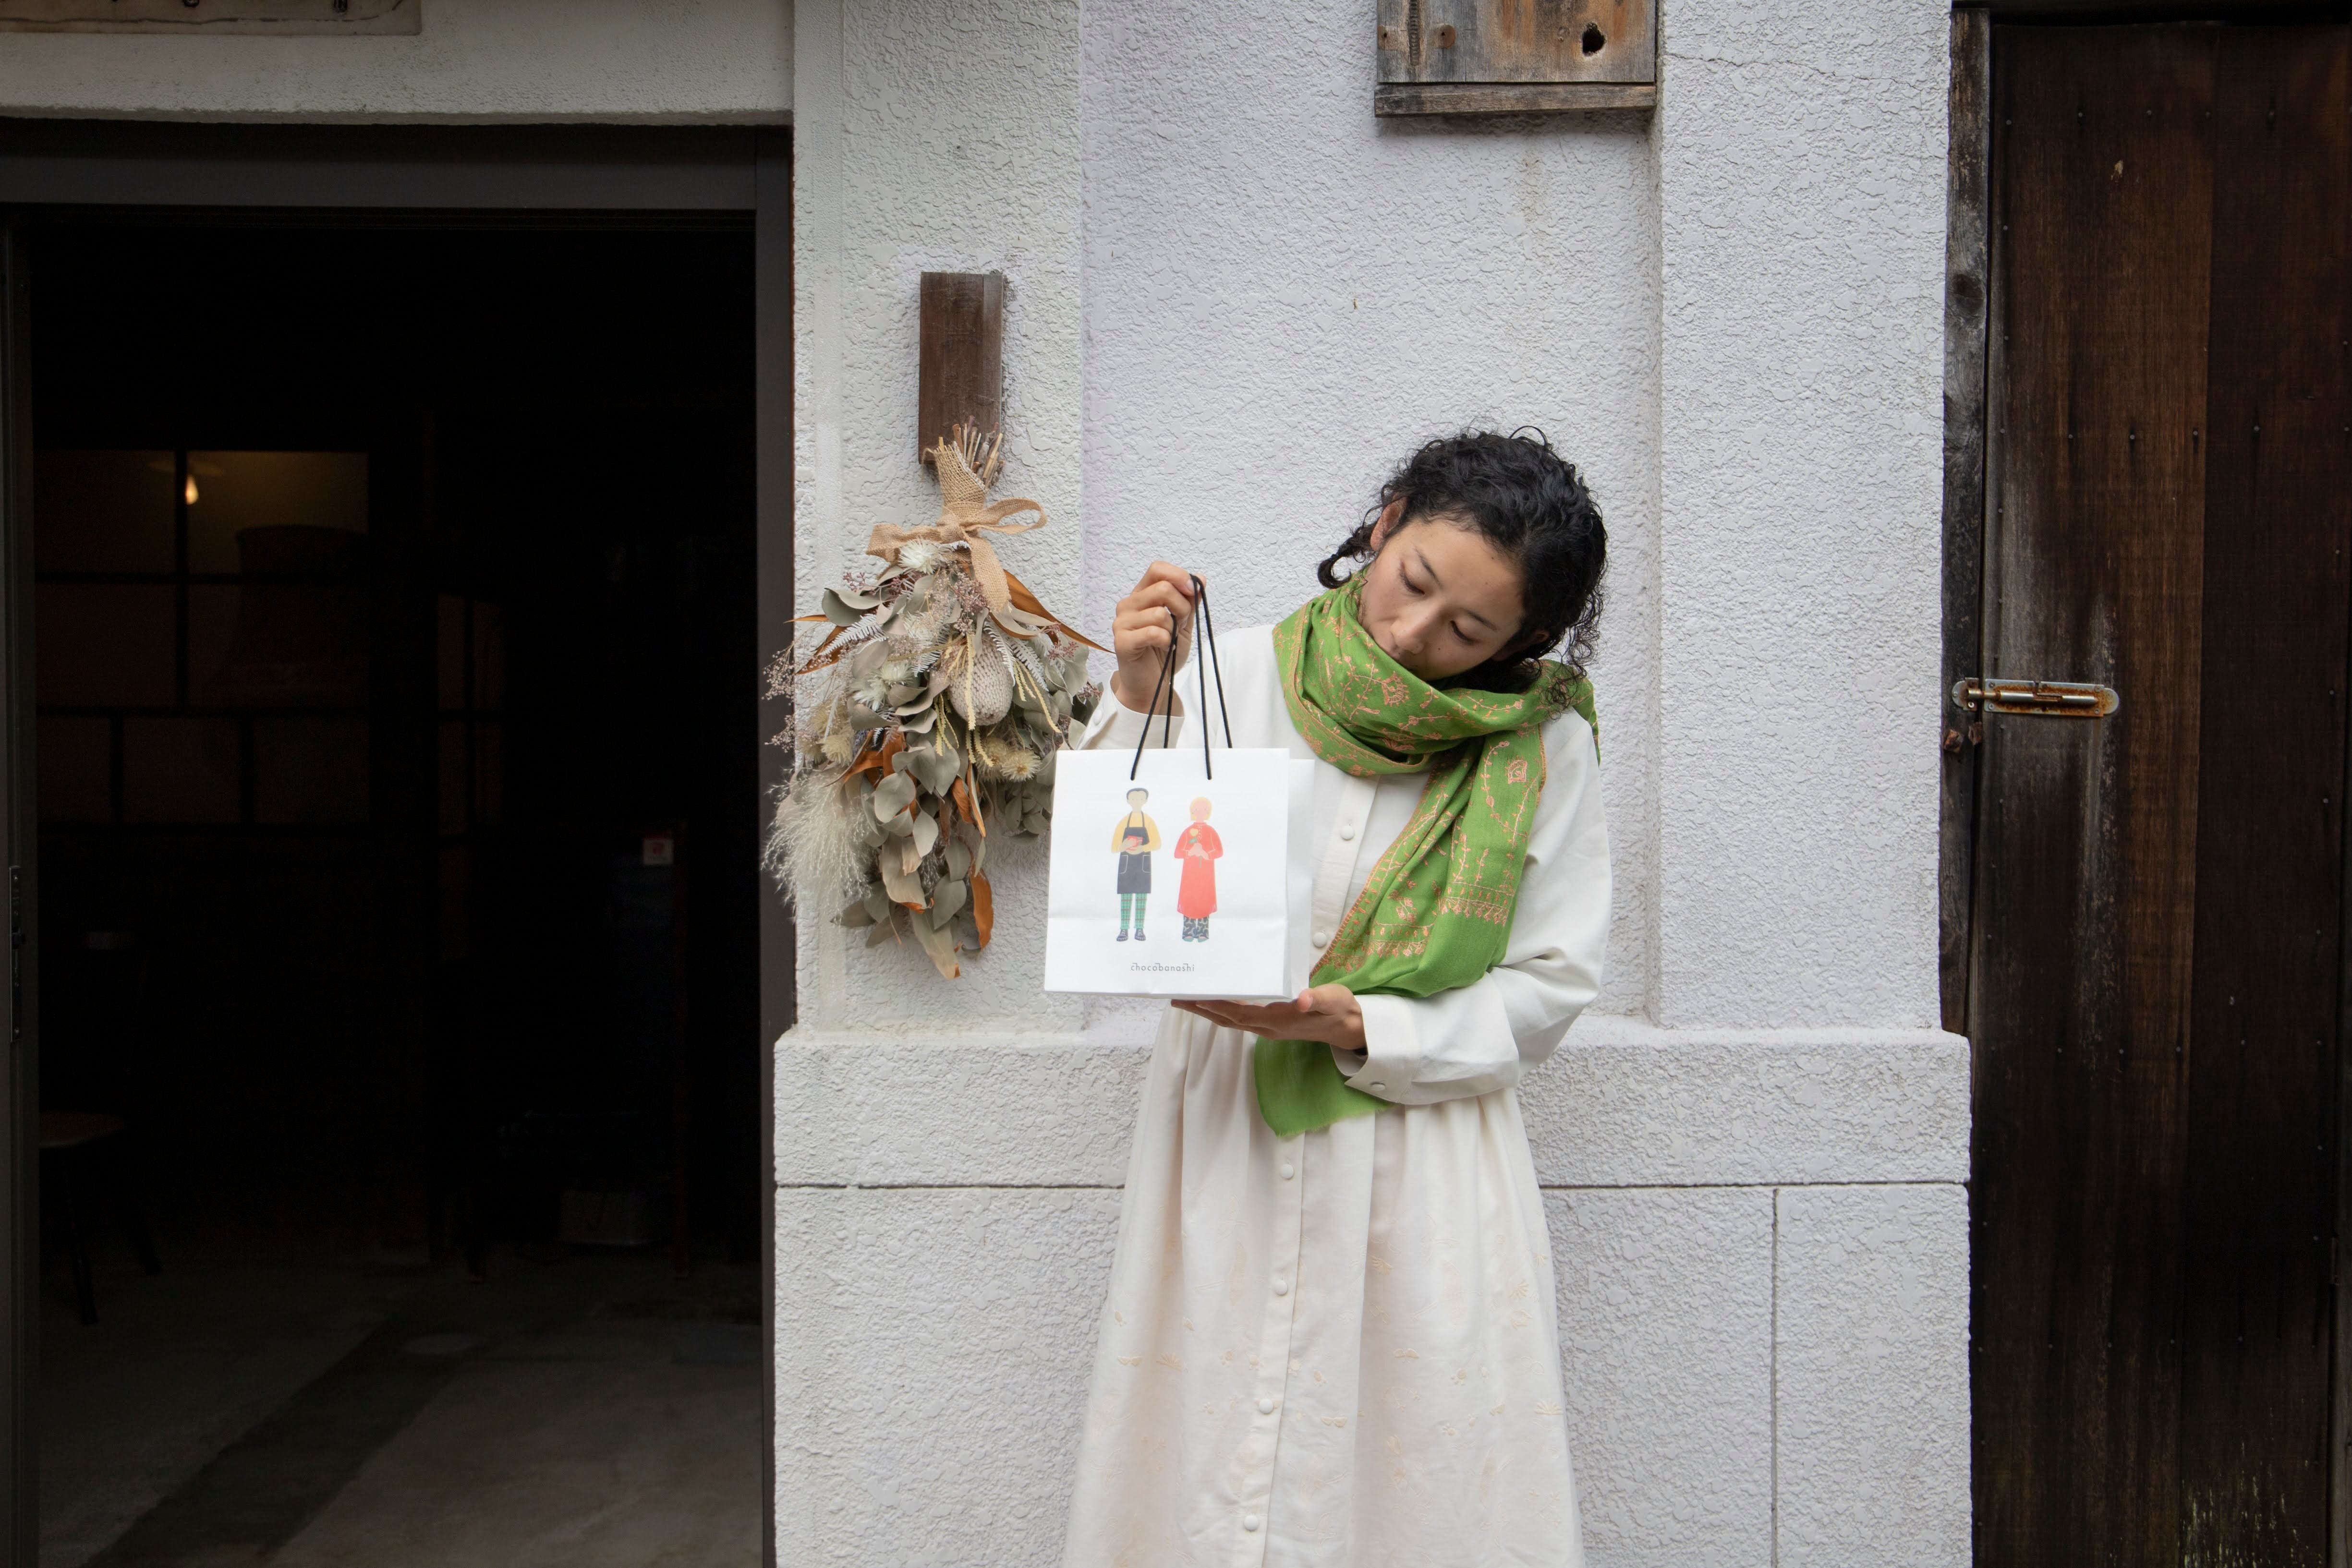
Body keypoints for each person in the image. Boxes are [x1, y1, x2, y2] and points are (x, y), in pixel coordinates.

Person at [1062, 429, 1609, 1566]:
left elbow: (1551, 984)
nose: (1412, 632)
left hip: (1424, 1157)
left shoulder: (1542, 748)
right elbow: (1125, 878)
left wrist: (1361, 1023)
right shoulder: (1234, 673)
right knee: (1205, 1454)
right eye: (1412, 580)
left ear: (1526, 642)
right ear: (1385, 520)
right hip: (1227, 1138)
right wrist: (1139, 695)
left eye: (1466, 630)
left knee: (1419, 1477)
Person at [1111, 786, 1163, 941]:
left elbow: (1157, 843)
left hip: (1143, 864)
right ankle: (1124, 930)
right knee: (1126, 898)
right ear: (1128, 801)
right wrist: (1124, 846)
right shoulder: (1123, 822)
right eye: (1133, 799)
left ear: (1145, 801)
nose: (1137, 802)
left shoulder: (1149, 821)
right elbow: (1114, 847)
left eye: (1140, 799)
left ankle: (1140, 929)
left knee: (1141, 897)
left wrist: (1143, 848)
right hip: (1126, 865)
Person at [1173, 797, 1222, 941]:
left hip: (1206, 874)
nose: (1201, 812)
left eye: (1204, 809)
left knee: (1204, 900)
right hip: (1190, 874)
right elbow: (1177, 853)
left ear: (1208, 812)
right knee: (1189, 900)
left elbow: (1219, 851)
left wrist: (1206, 854)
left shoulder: (1211, 831)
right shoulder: (1188, 831)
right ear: (1192, 811)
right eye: (1197, 809)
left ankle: (1203, 932)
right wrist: (1190, 852)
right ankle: (1188, 932)